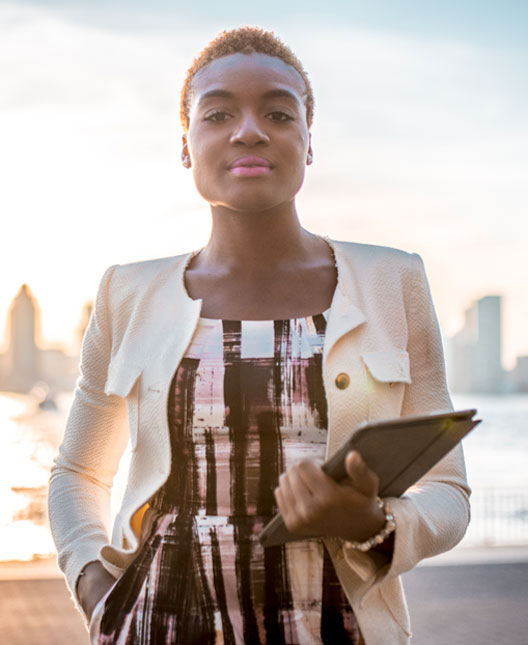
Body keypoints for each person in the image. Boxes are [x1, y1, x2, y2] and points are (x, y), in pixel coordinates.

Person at [48, 26, 471, 645]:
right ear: (186, 145)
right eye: (218, 114)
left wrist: (373, 523)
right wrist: (93, 585)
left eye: (278, 112)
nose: (249, 130)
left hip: (332, 626)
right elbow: (78, 472)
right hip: (156, 624)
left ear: (308, 141)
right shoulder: (126, 293)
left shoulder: (393, 281)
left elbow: (449, 492)